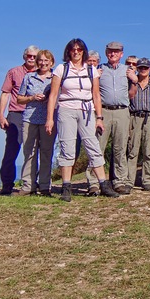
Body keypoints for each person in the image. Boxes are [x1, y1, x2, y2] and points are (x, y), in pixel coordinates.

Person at [45, 38, 119, 201]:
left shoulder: (91, 70)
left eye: (79, 49)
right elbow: (53, 95)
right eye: (73, 49)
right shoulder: (61, 69)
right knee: (67, 147)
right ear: (69, 51)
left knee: (93, 146)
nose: (76, 52)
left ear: (83, 51)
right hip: (66, 110)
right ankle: (66, 187)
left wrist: (99, 118)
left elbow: (96, 95)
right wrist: (50, 118)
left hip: (87, 111)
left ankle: (103, 184)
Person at [0, 45, 39, 195]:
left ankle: (32, 183)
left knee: (33, 151)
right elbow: (5, 93)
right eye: (29, 56)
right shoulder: (14, 72)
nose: (32, 59)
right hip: (16, 114)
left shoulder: (43, 74)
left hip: (35, 114)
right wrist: (1, 115)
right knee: (12, 149)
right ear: (24, 56)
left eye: (34, 56)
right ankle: (7, 184)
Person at [98, 41, 138, 194]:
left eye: (116, 51)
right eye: (110, 51)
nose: (113, 54)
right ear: (106, 52)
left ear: (121, 54)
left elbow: (132, 94)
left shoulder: (127, 70)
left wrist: (134, 81)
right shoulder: (99, 69)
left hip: (122, 111)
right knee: (98, 147)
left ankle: (119, 181)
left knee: (120, 147)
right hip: (104, 111)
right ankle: (95, 182)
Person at [15, 49, 55, 196]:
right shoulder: (29, 77)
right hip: (29, 119)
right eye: (41, 60)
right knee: (29, 153)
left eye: (46, 61)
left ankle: (45, 186)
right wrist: (32, 98)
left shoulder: (55, 78)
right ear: (37, 62)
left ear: (52, 63)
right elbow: (19, 98)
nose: (43, 63)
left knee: (46, 152)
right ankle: (28, 186)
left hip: (48, 120)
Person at [126, 58, 150, 191]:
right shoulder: (131, 82)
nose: (143, 70)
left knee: (149, 151)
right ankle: (129, 181)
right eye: (140, 68)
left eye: (145, 68)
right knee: (132, 150)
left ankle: (147, 180)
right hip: (134, 117)